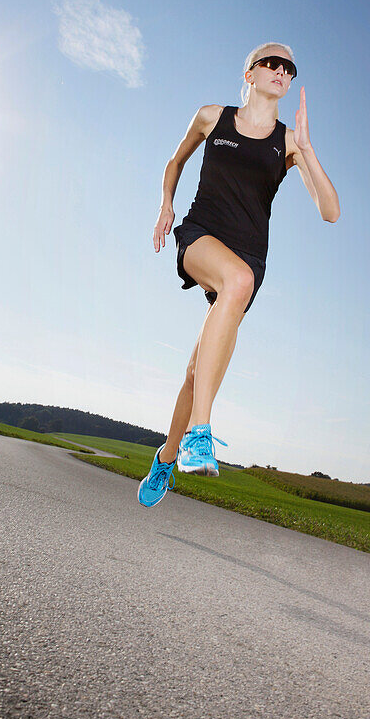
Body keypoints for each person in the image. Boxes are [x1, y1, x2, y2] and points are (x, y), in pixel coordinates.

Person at [138, 42, 340, 507]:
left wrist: (307, 151)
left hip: (248, 260)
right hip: (201, 236)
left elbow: (330, 211)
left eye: (288, 67)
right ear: (249, 74)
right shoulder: (212, 117)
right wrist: (166, 204)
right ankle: (200, 432)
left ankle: (166, 458)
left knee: (195, 375)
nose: (280, 71)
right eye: (270, 62)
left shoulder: (289, 142)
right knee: (238, 280)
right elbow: (176, 161)